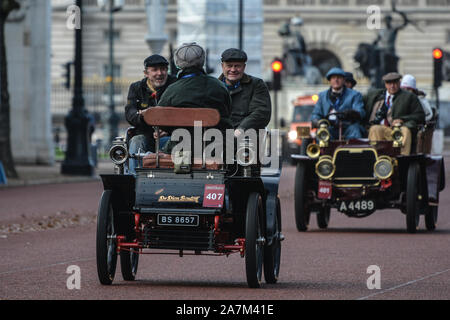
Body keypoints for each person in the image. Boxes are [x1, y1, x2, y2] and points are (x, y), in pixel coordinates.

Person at [125, 54, 176, 174]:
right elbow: (130, 113)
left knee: (176, 141)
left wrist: (168, 129)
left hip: (169, 136)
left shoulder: (174, 84)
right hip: (145, 135)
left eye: (163, 69)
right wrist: (144, 116)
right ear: (146, 73)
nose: (160, 73)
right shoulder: (136, 88)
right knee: (136, 141)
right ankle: (134, 181)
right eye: (155, 70)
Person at [365, 72, 425, 155]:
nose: (392, 86)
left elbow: (420, 116)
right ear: (385, 84)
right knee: (375, 129)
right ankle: (376, 160)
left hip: (399, 129)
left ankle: (402, 161)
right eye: (389, 83)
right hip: (382, 128)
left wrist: (403, 120)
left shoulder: (409, 97)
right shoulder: (376, 95)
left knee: (404, 131)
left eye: (395, 83)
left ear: (399, 83)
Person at [218, 48, 271, 137]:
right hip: (218, 137)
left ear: (244, 67)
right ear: (222, 66)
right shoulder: (215, 86)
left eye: (237, 66)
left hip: (247, 138)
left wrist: (241, 129)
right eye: (229, 66)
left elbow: (261, 112)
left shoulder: (257, 85)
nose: (233, 69)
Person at [311, 67, 366, 140]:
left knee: (355, 130)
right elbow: (316, 114)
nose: (336, 80)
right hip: (329, 127)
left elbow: (360, 111)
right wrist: (318, 122)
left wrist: (352, 113)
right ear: (330, 80)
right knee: (322, 132)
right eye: (333, 78)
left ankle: (352, 150)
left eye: (339, 78)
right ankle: (325, 151)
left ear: (343, 80)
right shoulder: (322, 96)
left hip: (348, 127)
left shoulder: (355, 95)